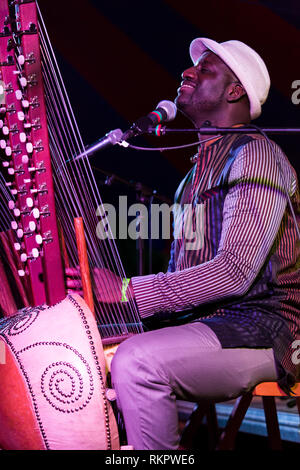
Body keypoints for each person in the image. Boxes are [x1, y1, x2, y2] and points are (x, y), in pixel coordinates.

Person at [68, 38, 300, 450]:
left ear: (234, 91)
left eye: (205, 70)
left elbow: (233, 272)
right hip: (211, 323)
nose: (187, 72)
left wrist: (126, 292)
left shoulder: (256, 156)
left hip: (263, 329)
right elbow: (185, 279)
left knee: (138, 361)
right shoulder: (192, 178)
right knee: (81, 349)